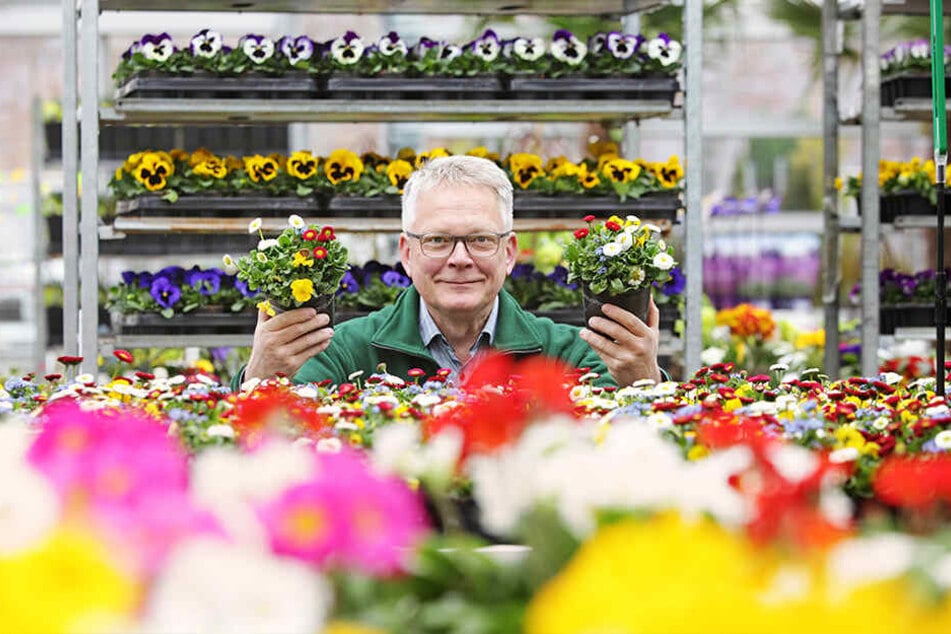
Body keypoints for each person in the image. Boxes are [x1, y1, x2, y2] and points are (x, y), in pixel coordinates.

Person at [237, 155, 663, 389]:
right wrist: (259, 376)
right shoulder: (343, 351)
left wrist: (645, 380)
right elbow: (269, 445)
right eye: (438, 240)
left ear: (509, 252)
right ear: (406, 252)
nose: (460, 258)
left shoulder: (569, 354)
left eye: (480, 240)